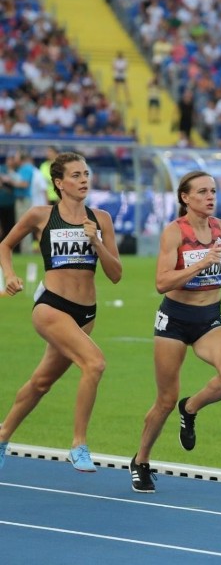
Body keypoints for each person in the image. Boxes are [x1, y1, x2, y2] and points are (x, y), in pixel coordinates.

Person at [0, 152, 123, 472]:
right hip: (51, 307)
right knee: (94, 364)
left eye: (86, 174)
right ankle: (78, 445)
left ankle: (1, 435)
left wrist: (96, 242)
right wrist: (9, 276)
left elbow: (116, 274)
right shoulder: (40, 215)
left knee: (41, 382)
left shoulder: (101, 219)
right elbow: (4, 245)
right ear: (59, 183)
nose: (84, 180)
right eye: (76, 175)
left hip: (86, 314)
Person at [130, 170, 221, 493]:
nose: (210, 197)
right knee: (165, 399)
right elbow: (161, 283)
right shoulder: (173, 233)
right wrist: (199, 264)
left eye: (213, 191)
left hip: (209, 318)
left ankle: (190, 408)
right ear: (185, 198)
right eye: (203, 192)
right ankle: (141, 460)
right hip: (174, 321)